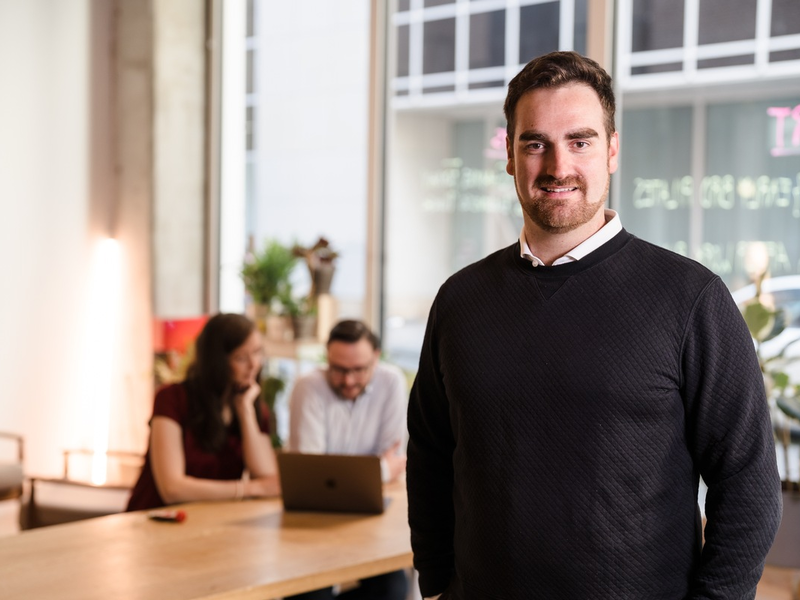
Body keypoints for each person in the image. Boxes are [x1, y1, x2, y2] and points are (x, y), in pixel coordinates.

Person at [406, 51, 782, 600]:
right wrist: (437, 584)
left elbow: (748, 483)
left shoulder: (690, 298)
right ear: (510, 156)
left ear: (611, 151)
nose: (558, 166)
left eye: (579, 141)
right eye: (535, 143)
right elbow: (430, 453)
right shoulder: (460, 301)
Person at [285, 319, 408, 600]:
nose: (348, 380)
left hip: (371, 520)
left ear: (375, 358)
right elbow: (311, 475)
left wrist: (378, 470)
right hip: (312, 522)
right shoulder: (308, 387)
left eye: (358, 370)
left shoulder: (391, 382)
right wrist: (380, 470)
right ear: (326, 358)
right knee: (310, 595)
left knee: (392, 588)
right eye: (338, 369)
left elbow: (395, 456)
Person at [126, 313, 280, 511]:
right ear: (217, 362)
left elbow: (267, 477)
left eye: (258, 353)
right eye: (241, 357)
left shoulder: (250, 404)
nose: (254, 364)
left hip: (209, 523)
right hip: (155, 519)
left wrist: (245, 413)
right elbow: (172, 489)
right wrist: (247, 489)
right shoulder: (172, 398)